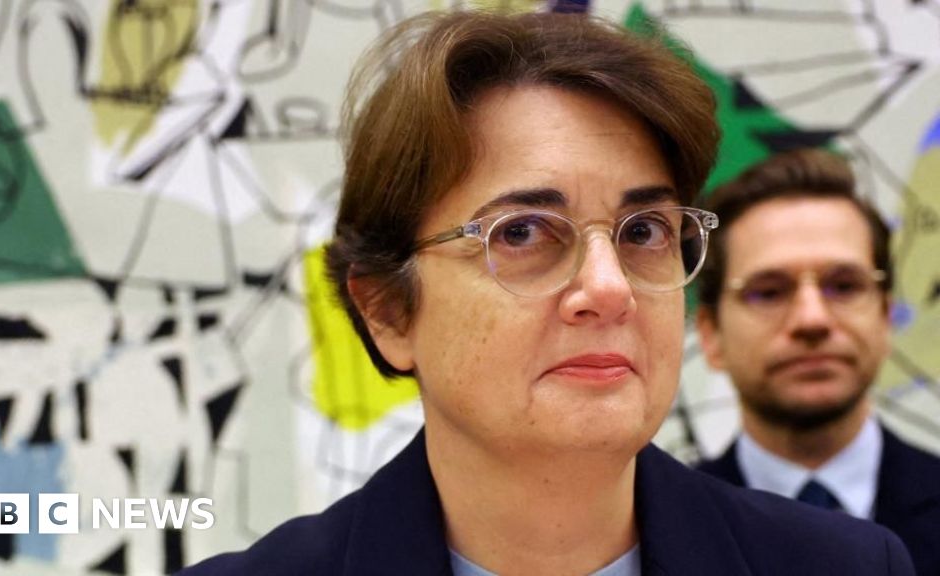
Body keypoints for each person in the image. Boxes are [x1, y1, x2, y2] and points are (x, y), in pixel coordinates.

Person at [181, 12, 914, 576]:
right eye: (523, 233)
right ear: (389, 311)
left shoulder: (844, 565)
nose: (609, 288)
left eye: (643, 232)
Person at [694, 148, 940, 575]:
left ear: (885, 316)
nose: (812, 320)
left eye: (843, 286)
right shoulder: (656, 529)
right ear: (711, 334)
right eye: (769, 292)